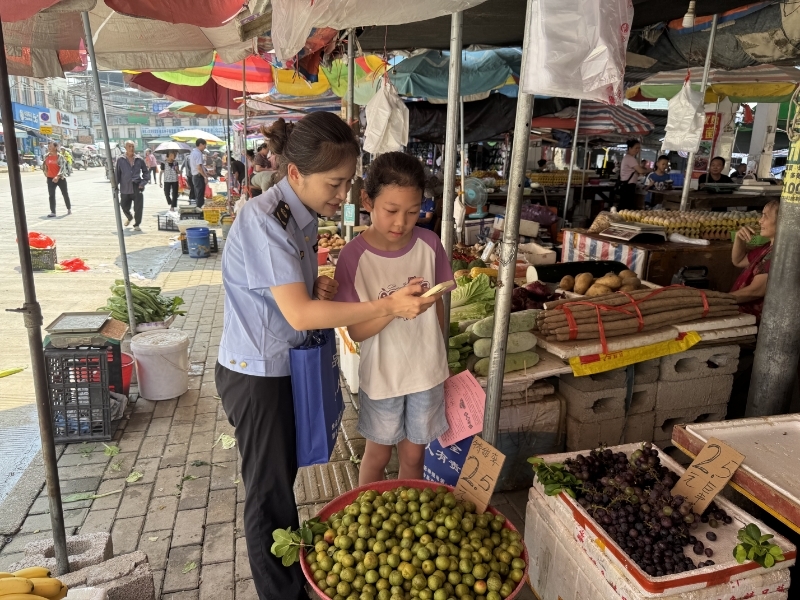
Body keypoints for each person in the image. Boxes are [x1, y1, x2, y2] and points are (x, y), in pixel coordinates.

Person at [215, 113, 442, 600]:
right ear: (296, 173)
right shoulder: (265, 220)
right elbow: (299, 315)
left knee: (283, 481)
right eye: (334, 184)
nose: (342, 195)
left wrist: (314, 286)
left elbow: (290, 297)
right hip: (258, 375)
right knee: (269, 495)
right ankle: (283, 595)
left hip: (286, 367)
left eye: (347, 182)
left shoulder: (301, 216)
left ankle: (289, 581)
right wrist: (387, 306)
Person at [334, 152, 451, 486]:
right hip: (383, 376)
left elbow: (438, 306)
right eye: (391, 210)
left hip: (426, 372)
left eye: (413, 212)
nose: (401, 222)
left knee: (414, 456)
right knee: (378, 455)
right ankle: (364, 510)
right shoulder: (353, 257)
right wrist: (392, 308)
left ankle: (409, 510)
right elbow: (356, 331)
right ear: (367, 201)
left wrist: (442, 355)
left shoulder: (430, 244)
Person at [730, 200, 778, 321]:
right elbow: (739, 261)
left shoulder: (778, 254)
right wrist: (739, 239)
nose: (760, 221)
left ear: (782, 222)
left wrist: (719, 299)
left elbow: (756, 291)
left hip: (753, 320)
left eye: (765, 216)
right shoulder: (767, 247)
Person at [115, 140, 149, 231]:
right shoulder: (120, 160)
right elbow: (117, 174)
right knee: (123, 206)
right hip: (125, 187)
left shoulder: (139, 159)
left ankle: (137, 224)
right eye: (129, 146)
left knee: (138, 207)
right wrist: (115, 186)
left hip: (137, 186)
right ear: (125, 148)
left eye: (133, 146)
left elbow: (146, 173)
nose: (131, 148)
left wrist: (142, 183)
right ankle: (129, 217)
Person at [616, 139, 649, 209]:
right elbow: (640, 171)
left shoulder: (627, 157)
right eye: (636, 148)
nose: (638, 150)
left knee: (624, 205)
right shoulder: (630, 158)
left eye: (639, 148)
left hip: (625, 185)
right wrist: (650, 170)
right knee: (626, 206)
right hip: (628, 186)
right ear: (630, 148)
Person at [44, 142, 71, 218]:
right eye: (48, 146)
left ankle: (68, 208)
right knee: (51, 195)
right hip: (50, 178)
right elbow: (45, 167)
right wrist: (47, 176)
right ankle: (53, 212)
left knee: (65, 193)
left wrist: (57, 177)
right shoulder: (46, 156)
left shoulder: (60, 157)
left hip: (60, 178)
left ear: (55, 147)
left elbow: (63, 168)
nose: (49, 148)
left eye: (51, 146)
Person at [189, 139, 208, 208]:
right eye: (204, 145)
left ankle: (198, 208)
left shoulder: (193, 152)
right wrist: (205, 176)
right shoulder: (198, 153)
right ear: (200, 144)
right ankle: (199, 209)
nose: (205, 147)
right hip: (198, 176)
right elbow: (199, 168)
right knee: (200, 195)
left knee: (198, 194)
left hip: (195, 176)